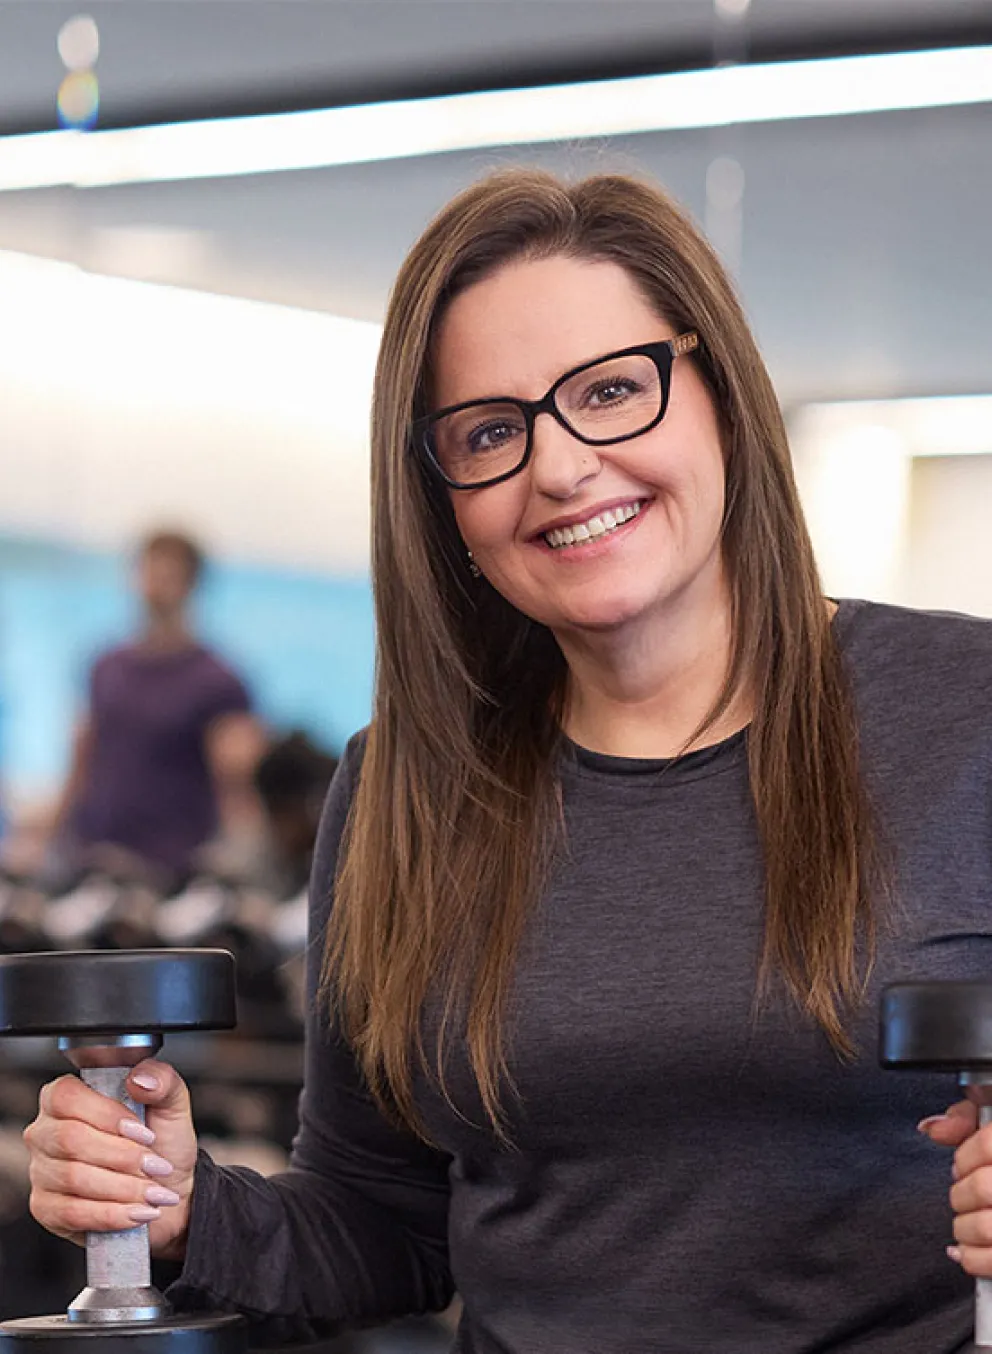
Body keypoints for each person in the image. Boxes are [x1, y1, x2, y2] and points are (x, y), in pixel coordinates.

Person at [21, 169, 992, 1353]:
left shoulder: (964, 711)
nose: (564, 466)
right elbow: (385, 1224)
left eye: (611, 390)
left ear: (722, 398)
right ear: (443, 504)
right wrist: (182, 1205)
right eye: (489, 430)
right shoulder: (402, 788)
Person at [46, 529, 265, 889]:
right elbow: (82, 759)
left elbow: (236, 786)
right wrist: (48, 840)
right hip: (94, 858)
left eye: (167, 575)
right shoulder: (105, 666)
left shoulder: (218, 680)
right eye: (148, 571)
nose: (154, 585)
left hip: (172, 870)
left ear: (190, 584)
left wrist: (248, 868)